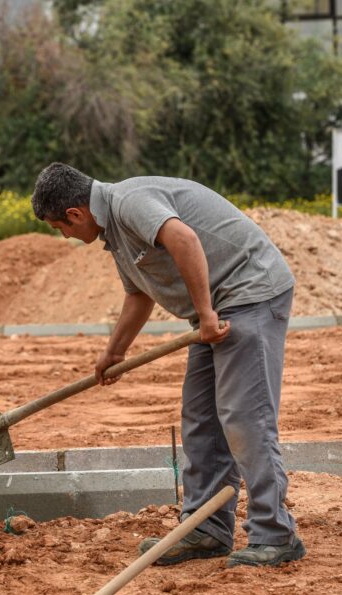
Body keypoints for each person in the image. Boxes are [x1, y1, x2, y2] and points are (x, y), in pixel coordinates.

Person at [30, 163, 305, 568]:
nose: (66, 236)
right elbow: (138, 297)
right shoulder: (116, 234)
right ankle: (205, 529)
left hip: (249, 295)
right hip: (213, 312)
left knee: (245, 418)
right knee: (200, 420)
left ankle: (276, 534)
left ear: (75, 214)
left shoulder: (129, 201)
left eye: (61, 228)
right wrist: (115, 352)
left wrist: (206, 313)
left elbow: (185, 240)